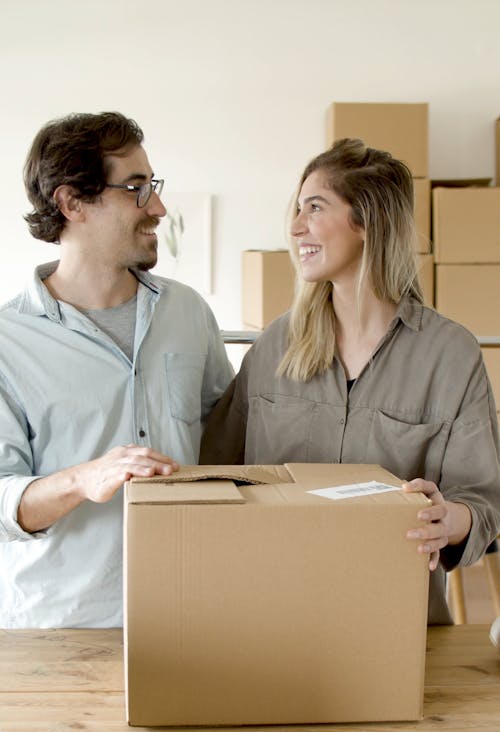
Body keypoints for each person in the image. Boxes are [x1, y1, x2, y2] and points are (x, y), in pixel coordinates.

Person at [201, 138, 500, 624]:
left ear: (366, 222)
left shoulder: (450, 355)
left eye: (314, 208)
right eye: (297, 211)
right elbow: (215, 469)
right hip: (273, 618)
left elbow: (483, 501)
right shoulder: (276, 345)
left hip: (396, 624)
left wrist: (451, 520)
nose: (296, 228)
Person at [0, 111, 233, 628]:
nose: (158, 206)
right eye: (135, 188)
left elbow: (227, 442)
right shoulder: (6, 341)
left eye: (152, 185)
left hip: (187, 614)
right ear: (72, 202)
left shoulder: (188, 312)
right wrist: (83, 479)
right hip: (62, 628)